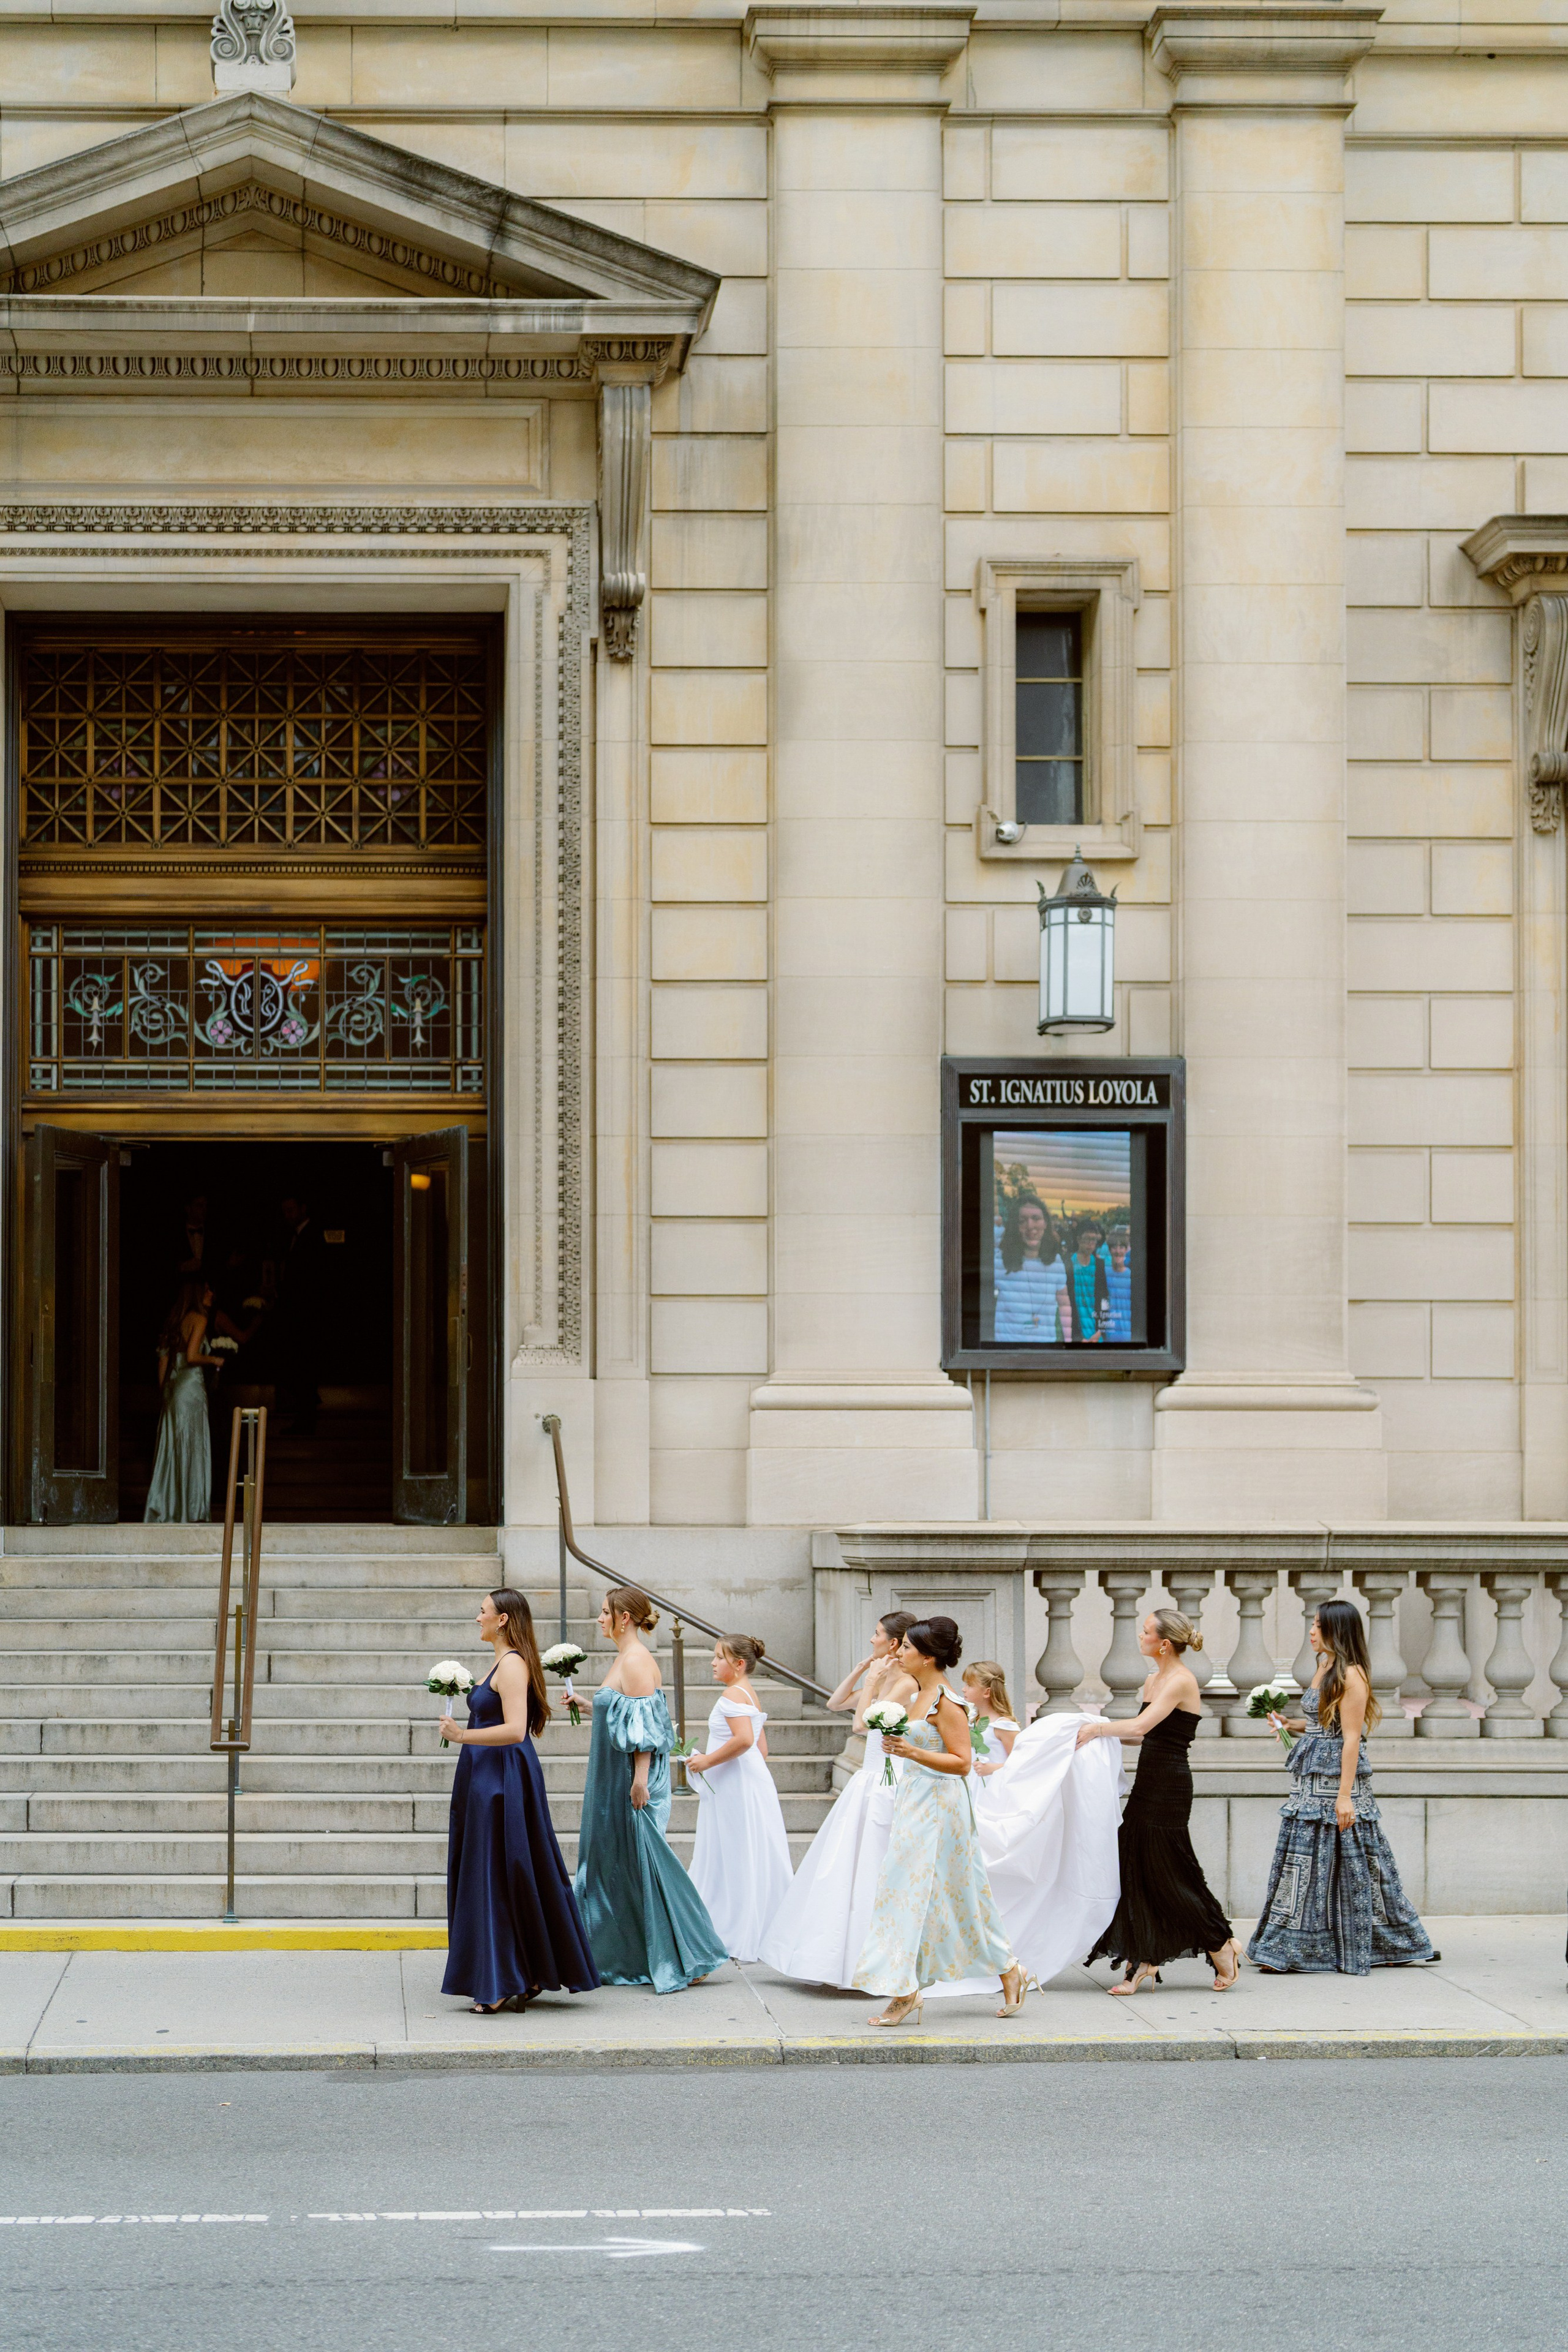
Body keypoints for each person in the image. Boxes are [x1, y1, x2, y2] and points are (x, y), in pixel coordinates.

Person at [1248, 1597, 1436, 1976]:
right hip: (1310, 1782)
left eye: (1319, 1625)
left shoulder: (1352, 1675)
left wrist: (1345, 1796)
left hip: (1337, 1783)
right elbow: (1322, 1725)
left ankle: (1389, 1940)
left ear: (1337, 1630)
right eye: (1313, 1624)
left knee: (1358, 1860)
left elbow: (1351, 1738)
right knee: (1303, 1861)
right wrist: (1288, 1723)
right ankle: (1291, 1944)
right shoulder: (1324, 1666)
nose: (1312, 1631)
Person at [852, 1618, 1025, 2027]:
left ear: (928, 1657)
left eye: (907, 1649)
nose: (899, 1654)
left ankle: (904, 1992)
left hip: (940, 1808)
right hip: (913, 1801)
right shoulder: (918, 1693)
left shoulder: (946, 1701)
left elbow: (963, 1762)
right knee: (945, 1895)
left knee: (918, 1895)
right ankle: (1006, 1968)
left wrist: (910, 1753)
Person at [440, 1589, 600, 2014]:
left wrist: (462, 1736)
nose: (478, 1618)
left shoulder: (511, 1665)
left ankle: (499, 1981)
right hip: (485, 1777)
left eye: (483, 1612)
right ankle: (521, 1973)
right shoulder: (500, 1661)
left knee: (496, 1871)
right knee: (495, 1871)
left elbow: (514, 1730)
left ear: (504, 1620)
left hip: (502, 1780)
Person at [573, 1586, 728, 1994]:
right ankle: (613, 1954)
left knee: (645, 1864)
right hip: (612, 1777)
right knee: (615, 1865)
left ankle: (689, 1952)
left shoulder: (638, 1660)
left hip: (629, 1780)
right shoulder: (625, 1659)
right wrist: (590, 1706)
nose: (600, 1619)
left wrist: (639, 1780)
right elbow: (624, 1710)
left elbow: (646, 1729)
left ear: (625, 1618)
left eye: (606, 1613)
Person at [1079, 1608, 1242, 1994]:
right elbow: (1139, 1737)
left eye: (1146, 1631)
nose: (1141, 1635)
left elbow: (1138, 1727)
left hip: (1169, 1786)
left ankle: (1220, 1942)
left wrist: (1096, 1728)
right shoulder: (1155, 1679)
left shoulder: (1182, 1680)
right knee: (1137, 1867)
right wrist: (1087, 1735)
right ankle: (1144, 1960)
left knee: (1170, 1873)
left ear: (1164, 1644)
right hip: (1148, 1782)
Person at [757, 1611, 918, 1988]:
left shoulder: (906, 1684)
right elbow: (835, 1703)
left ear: (893, 1644)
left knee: (871, 1866)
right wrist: (864, 1670)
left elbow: (861, 1725)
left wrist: (875, 1682)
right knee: (841, 1864)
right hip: (867, 1779)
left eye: (876, 1635)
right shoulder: (883, 1680)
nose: (871, 1639)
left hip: (885, 1779)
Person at [687, 1635, 794, 1963]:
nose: (713, 1662)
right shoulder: (750, 1694)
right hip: (751, 1781)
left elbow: (745, 1740)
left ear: (739, 1664)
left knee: (732, 1851)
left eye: (719, 1657)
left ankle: (730, 1926)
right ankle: (765, 1924)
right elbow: (762, 1750)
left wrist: (706, 1761)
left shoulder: (732, 1694)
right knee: (750, 1850)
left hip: (735, 1785)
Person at [144, 1276, 222, 1523]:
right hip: (190, 1390)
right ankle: (192, 1511)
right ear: (198, 1293)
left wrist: (166, 1393)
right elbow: (191, 1356)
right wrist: (215, 1360)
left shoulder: (176, 1321)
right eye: (208, 1289)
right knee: (193, 1447)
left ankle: (168, 1509)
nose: (212, 1292)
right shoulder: (200, 1319)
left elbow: (164, 1359)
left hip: (174, 1390)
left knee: (172, 1449)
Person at [274, 1193, 326, 1435]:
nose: (288, 1215)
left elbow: (311, 1280)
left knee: (303, 1365)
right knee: (298, 1365)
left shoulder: (312, 1236)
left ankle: (307, 1417)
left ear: (303, 1209)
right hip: (298, 1316)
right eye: (284, 1211)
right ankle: (306, 1408)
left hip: (306, 1317)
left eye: (291, 1210)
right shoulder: (292, 1237)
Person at [992, 1192, 1069, 1343]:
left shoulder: (1056, 1263)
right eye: (1022, 1221)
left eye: (1036, 1219)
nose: (1030, 1226)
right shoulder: (1000, 1261)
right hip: (1008, 1351)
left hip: (1045, 1350)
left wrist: (1069, 1340)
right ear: (1016, 1227)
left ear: (1046, 1223)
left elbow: (1064, 1304)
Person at [962, 1660, 1019, 1784]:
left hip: (995, 1791)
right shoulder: (972, 1721)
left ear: (987, 1692)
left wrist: (993, 1769)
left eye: (970, 1685)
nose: (964, 1689)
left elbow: (1022, 1764)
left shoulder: (1003, 1726)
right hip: (973, 1788)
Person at [1064, 1218, 1112, 1342]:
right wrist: (1078, 1338)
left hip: (1097, 1336)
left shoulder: (1099, 1265)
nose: (1091, 1243)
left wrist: (1100, 1332)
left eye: (1094, 1239)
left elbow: (1105, 1300)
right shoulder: (1067, 1263)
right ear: (1079, 1239)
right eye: (1087, 1238)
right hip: (1074, 1336)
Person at [1104, 1226, 1133, 1344]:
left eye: (1122, 1247)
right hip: (1109, 1333)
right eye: (1114, 1247)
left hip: (1128, 1333)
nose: (1118, 1251)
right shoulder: (1104, 1273)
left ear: (1127, 1250)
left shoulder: (1132, 1276)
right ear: (1110, 1250)